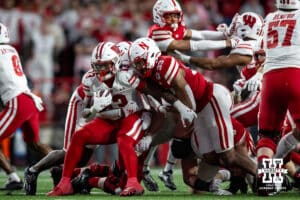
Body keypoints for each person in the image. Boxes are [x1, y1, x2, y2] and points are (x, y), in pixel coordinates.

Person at [130, 37, 257, 181]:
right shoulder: (151, 74)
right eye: (136, 64)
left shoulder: (164, 65)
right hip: (199, 109)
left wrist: (178, 111)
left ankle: (266, 175)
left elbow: (188, 101)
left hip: (210, 100)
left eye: (140, 62)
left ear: (151, 55)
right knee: (209, 156)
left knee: (228, 156)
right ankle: (238, 175)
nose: (139, 67)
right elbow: (170, 98)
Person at [47, 41, 148, 196]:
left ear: (116, 62)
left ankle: (132, 182)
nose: (100, 70)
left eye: (104, 65)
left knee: (124, 143)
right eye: (97, 66)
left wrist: (149, 123)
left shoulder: (129, 75)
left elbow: (149, 96)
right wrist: (93, 110)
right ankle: (65, 181)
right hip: (107, 120)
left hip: (130, 118)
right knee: (80, 134)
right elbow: (88, 111)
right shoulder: (90, 79)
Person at [23, 66, 112, 195]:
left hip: (97, 110)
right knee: (69, 150)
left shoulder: (123, 75)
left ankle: (60, 172)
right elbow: (90, 109)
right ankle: (33, 171)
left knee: (83, 157)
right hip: (82, 106)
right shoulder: (91, 77)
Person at [255, 0, 300, 195]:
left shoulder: (269, 18)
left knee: (267, 135)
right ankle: (275, 169)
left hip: (270, 77)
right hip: (295, 74)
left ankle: (267, 181)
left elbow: (261, 50)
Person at [0, 22, 52, 189]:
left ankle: (13, 177)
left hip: (17, 101)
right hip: (29, 99)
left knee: (35, 144)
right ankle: (69, 171)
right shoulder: (11, 50)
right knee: (35, 144)